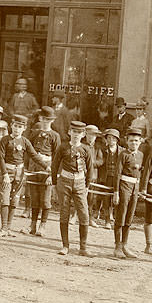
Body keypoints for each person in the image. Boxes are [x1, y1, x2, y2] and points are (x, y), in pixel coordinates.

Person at [0, 115, 48, 238]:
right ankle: (3, 228)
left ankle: (9, 228)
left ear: (24, 128)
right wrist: (5, 174)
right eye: (16, 126)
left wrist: (47, 167)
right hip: (7, 172)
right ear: (11, 126)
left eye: (20, 127)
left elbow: (34, 155)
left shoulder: (25, 141)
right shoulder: (5, 140)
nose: (17, 129)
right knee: (5, 199)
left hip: (20, 173)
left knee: (14, 200)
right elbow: (0, 158)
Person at [52, 120, 94, 256]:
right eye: (74, 132)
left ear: (83, 134)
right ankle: (65, 246)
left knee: (84, 213)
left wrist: (87, 185)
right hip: (64, 181)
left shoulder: (86, 149)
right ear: (70, 132)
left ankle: (83, 247)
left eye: (79, 132)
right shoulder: (63, 147)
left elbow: (90, 168)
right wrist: (54, 184)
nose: (76, 135)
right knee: (64, 212)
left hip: (80, 182)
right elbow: (54, 165)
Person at [24, 106, 60, 236]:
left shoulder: (55, 136)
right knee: (34, 197)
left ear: (52, 121)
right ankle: (32, 225)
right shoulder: (34, 134)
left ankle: (42, 226)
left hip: (48, 168)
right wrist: (27, 168)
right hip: (34, 167)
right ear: (40, 118)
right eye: (44, 119)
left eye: (48, 119)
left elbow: (57, 157)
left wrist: (52, 175)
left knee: (45, 200)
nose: (46, 121)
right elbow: (28, 152)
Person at [112, 127, 143, 258]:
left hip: (134, 188)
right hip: (124, 187)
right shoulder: (123, 155)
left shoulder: (141, 155)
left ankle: (125, 245)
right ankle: (117, 247)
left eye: (136, 141)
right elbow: (117, 174)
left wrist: (139, 189)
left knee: (129, 217)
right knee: (121, 215)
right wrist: (116, 192)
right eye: (131, 141)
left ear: (140, 141)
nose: (133, 143)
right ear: (127, 141)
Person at [92, 128, 120, 229]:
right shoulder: (103, 150)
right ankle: (107, 220)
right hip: (105, 177)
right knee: (106, 198)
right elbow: (100, 162)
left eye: (113, 139)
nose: (110, 140)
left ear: (117, 140)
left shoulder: (121, 151)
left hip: (117, 178)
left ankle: (116, 220)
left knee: (116, 199)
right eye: (108, 138)